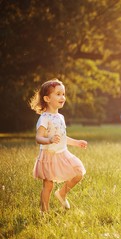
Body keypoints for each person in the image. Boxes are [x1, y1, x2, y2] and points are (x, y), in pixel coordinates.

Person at [30, 78, 87, 212]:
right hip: (49, 155)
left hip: (63, 153)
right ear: (47, 98)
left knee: (79, 172)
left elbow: (62, 137)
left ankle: (62, 193)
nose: (62, 97)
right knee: (48, 185)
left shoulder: (60, 117)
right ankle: (44, 211)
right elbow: (38, 137)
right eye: (58, 94)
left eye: (63, 94)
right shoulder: (44, 118)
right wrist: (49, 140)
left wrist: (76, 142)